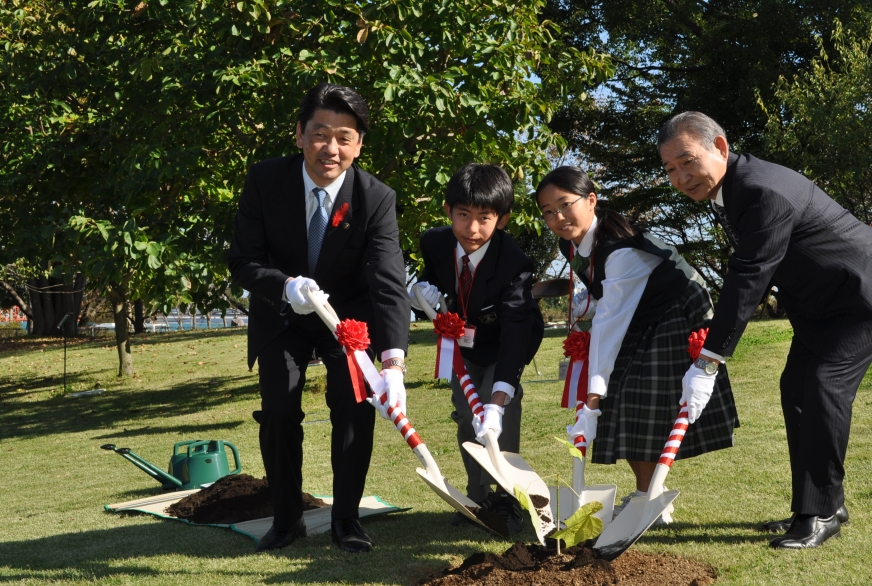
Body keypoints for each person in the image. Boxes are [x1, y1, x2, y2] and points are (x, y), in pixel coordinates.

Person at [659, 111, 872, 548]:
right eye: (670, 169)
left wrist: (709, 361)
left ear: (720, 148)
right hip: (826, 301)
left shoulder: (761, 190)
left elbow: (749, 276)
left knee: (823, 386)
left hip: (867, 291)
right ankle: (822, 503)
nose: (681, 176)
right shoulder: (733, 189)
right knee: (795, 388)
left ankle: (819, 513)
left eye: (688, 161)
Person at [228, 84, 410, 554]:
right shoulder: (265, 181)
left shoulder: (376, 198)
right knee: (280, 409)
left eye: (345, 137)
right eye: (320, 134)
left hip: (347, 319)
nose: (332, 148)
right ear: (299, 135)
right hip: (281, 313)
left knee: (352, 408)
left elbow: (388, 281)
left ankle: (346, 520)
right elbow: (243, 260)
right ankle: (286, 521)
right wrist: (286, 287)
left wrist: (393, 363)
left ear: (359, 144)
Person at [536, 166, 739, 523]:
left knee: (635, 398)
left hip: (678, 310)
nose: (558, 217)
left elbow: (608, 327)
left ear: (591, 200)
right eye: (548, 211)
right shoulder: (571, 244)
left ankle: (651, 498)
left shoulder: (620, 251)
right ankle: (650, 495)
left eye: (565, 205)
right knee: (624, 400)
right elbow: (605, 297)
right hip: (640, 312)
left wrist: (591, 404)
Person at [411, 164, 544, 534]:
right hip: (463, 345)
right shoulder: (434, 243)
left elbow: (517, 328)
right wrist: (419, 290)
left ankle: (508, 499)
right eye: (463, 215)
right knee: (466, 416)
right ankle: (477, 496)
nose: (472, 229)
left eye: (484, 218)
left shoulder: (515, 262)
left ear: (502, 219)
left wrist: (499, 398)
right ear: (447, 210)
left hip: (507, 341)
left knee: (495, 414)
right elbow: (432, 283)